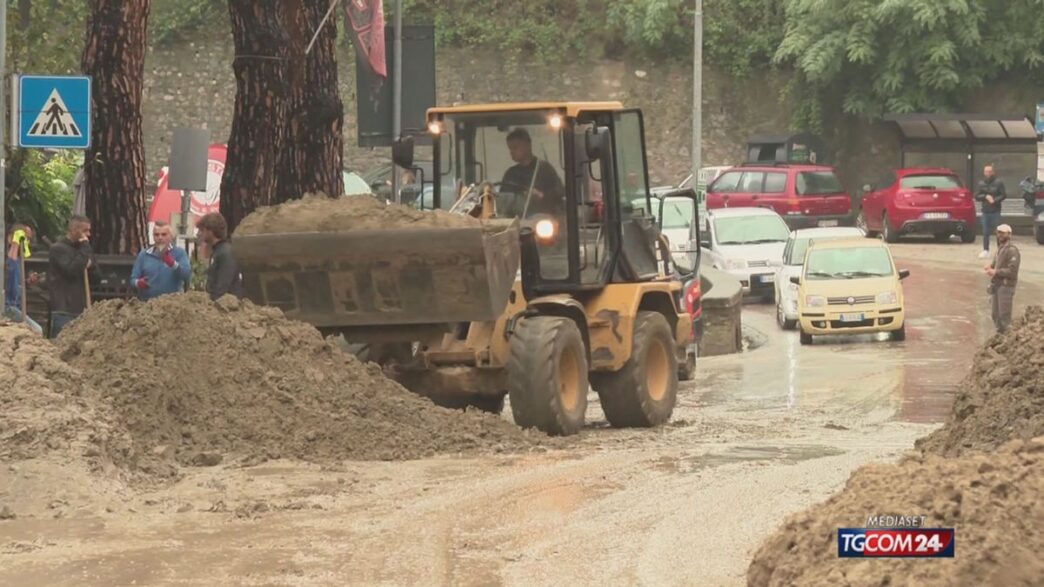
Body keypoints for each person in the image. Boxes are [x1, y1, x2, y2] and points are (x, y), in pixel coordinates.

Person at [48, 215, 96, 338]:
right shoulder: (58, 249)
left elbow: (97, 277)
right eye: (85, 230)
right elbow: (71, 270)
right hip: (63, 309)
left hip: (81, 309)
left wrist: (90, 266)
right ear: (74, 230)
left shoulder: (83, 250)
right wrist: (85, 248)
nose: (88, 234)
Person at [500, 128, 564, 217]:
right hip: (515, 221)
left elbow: (559, 192)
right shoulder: (510, 173)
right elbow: (503, 199)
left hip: (541, 223)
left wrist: (541, 196)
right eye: (510, 148)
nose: (511, 152)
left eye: (515, 147)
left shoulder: (544, 169)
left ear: (527, 145)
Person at [130, 221, 192, 300]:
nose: (160, 238)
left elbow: (187, 276)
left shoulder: (179, 253)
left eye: (164, 234)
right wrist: (138, 283)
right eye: (156, 235)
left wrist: (173, 264)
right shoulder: (144, 255)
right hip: (148, 305)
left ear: (171, 236)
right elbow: (133, 279)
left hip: (172, 304)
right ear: (153, 237)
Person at [4, 224, 43, 334]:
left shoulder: (19, 262)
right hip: (8, 308)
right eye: (24, 238)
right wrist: (16, 243)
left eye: (28, 239)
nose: (27, 242)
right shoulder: (9, 260)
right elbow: (10, 266)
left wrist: (28, 281)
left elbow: (15, 284)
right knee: (37, 330)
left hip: (16, 307)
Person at [196, 212, 242, 301]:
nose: (199, 234)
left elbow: (223, 285)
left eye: (202, 230)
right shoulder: (217, 251)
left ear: (210, 231)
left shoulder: (225, 253)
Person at [984, 224, 1020, 334]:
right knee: (995, 315)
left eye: (1003, 233)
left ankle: (1008, 338)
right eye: (998, 232)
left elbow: (1012, 271)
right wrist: (990, 266)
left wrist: (996, 272)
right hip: (997, 285)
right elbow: (996, 264)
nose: (1000, 235)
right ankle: (1000, 337)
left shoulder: (1012, 250)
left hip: (1006, 286)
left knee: (1004, 316)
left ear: (1009, 234)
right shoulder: (1000, 249)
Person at [975, 164, 1006, 259]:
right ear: (984, 172)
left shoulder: (999, 182)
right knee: (985, 232)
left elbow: (1003, 195)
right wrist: (985, 196)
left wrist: (995, 200)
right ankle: (985, 250)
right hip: (985, 211)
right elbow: (976, 196)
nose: (988, 173)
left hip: (995, 210)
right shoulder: (981, 183)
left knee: (998, 232)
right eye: (986, 171)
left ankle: (1000, 251)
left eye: (989, 171)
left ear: (993, 172)